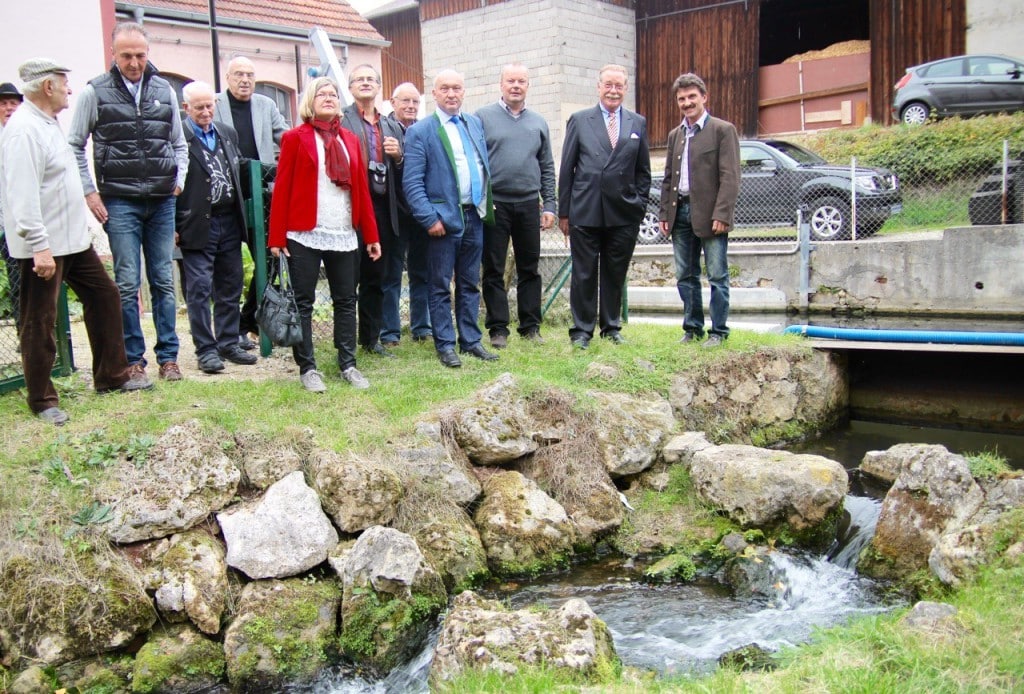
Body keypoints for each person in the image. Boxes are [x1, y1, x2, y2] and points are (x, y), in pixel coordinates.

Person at [0, 58, 152, 426]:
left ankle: (111, 375)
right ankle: (42, 399)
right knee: (39, 319)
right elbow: (22, 196)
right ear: (47, 87)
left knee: (105, 296)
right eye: (64, 82)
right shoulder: (23, 131)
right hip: (45, 244)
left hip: (72, 241)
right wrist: (39, 245)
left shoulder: (47, 123)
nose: (70, 89)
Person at [68, 21, 189, 381]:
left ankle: (169, 358)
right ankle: (132, 359)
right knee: (127, 282)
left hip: (162, 200)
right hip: (119, 201)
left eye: (140, 55)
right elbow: (75, 144)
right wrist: (90, 192)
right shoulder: (95, 92)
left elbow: (179, 143)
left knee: (164, 281)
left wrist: (178, 180)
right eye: (127, 56)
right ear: (113, 55)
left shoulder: (163, 90)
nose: (135, 62)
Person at [268, 77, 381, 392]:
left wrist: (370, 234)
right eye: (323, 94)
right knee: (303, 302)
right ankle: (308, 368)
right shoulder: (295, 138)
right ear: (310, 101)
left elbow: (361, 188)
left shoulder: (349, 139)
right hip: (304, 232)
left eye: (334, 94)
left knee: (346, 299)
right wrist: (277, 238)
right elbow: (282, 190)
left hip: (344, 231)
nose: (329, 98)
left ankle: (348, 364)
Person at [402, 69, 498, 369]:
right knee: (440, 285)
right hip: (442, 223)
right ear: (435, 93)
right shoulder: (421, 131)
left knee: (470, 283)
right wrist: (430, 218)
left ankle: (470, 340)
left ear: (464, 91)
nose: (452, 94)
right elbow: (412, 183)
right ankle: (445, 344)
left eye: (457, 88)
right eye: (445, 88)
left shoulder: (473, 124)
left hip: (474, 216)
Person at [558, 64, 651, 350]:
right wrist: (565, 212)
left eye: (619, 86)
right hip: (586, 210)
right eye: (608, 85)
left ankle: (611, 327)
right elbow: (567, 168)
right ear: (598, 87)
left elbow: (643, 171)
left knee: (614, 272)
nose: (613, 91)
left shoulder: (637, 122)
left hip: (623, 213)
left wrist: (638, 205)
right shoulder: (580, 119)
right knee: (584, 273)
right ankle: (582, 331)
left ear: (625, 88)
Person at [176, 81, 258, 373]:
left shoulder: (227, 133)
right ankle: (206, 350)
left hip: (228, 220)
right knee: (198, 287)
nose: (206, 112)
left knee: (230, 283)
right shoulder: (180, 136)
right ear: (187, 108)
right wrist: (174, 224)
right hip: (196, 223)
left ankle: (228, 342)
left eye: (209, 105)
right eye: (199, 107)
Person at [476, 63, 556, 348]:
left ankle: (530, 326)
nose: (516, 86)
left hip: (528, 204)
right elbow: (476, 163)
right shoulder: (482, 117)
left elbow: (547, 166)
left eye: (521, 81)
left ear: (528, 86)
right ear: (501, 84)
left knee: (529, 268)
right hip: (495, 204)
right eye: (511, 80)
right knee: (494, 269)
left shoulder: (538, 122)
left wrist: (550, 206)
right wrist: (481, 200)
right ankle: (498, 329)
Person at [658, 73, 739, 348]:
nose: (687, 102)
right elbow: (668, 178)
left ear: (704, 97)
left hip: (710, 214)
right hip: (679, 212)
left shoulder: (722, 130)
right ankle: (693, 329)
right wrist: (664, 215)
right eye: (681, 98)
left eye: (692, 97)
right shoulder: (675, 135)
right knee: (685, 275)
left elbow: (730, 176)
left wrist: (722, 214)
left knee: (717, 274)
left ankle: (719, 332)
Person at [214, 55, 288, 349]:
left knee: (269, 261)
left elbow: (284, 137)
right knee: (230, 269)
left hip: (262, 194)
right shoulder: (215, 104)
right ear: (228, 77)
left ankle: (249, 320)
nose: (245, 80)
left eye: (250, 75)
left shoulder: (266, 105)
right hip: (227, 195)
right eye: (239, 74)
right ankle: (231, 331)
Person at [341, 65, 404, 359]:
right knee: (347, 279)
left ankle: (370, 338)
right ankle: (344, 341)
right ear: (351, 87)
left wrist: (398, 155)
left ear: (379, 87)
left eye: (371, 79)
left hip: (383, 210)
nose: (365, 83)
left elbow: (406, 171)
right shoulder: (341, 120)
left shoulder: (391, 126)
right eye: (359, 80)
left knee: (376, 278)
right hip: (350, 211)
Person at [379, 82, 431, 347]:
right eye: (405, 101)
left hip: (421, 213)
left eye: (415, 102)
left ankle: (422, 327)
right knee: (391, 274)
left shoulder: (422, 129)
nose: (410, 106)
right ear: (392, 101)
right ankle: (389, 332)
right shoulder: (382, 128)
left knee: (422, 272)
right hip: (394, 213)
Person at [0, 81, 24, 334]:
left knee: (28, 282)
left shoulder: (24, 134)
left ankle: (30, 332)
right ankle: (22, 330)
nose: (8, 108)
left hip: (24, 222)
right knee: (17, 281)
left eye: (13, 103)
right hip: (4, 222)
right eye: (4, 103)